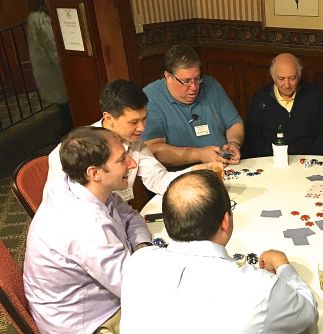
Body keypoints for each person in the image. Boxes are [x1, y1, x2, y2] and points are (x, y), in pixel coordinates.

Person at [120, 170, 316, 334]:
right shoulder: (258, 287)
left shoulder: (138, 263)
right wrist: (283, 265)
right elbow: (306, 313)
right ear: (226, 221)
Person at [24, 126, 152, 334]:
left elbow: (131, 216)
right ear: (95, 172)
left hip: (97, 303)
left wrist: (143, 248)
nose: (132, 164)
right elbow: (138, 291)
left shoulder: (81, 185)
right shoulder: (84, 225)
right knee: (185, 320)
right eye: (122, 160)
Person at [45, 79, 222, 201]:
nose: (142, 128)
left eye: (144, 118)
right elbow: (63, 212)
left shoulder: (133, 140)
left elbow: (158, 180)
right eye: (134, 122)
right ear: (109, 117)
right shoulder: (71, 152)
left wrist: (198, 171)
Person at [142, 44, 243, 167]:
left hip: (223, 167)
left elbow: (234, 123)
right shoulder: (151, 97)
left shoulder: (211, 85)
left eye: (197, 79)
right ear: (168, 77)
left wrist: (234, 143)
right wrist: (199, 155)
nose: (194, 87)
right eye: (186, 81)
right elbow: (154, 150)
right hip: (181, 176)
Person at [244, 53, 323, 158]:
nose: (287, 85)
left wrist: (310, 159)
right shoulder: (260, 97)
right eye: (281, 79)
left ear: (299, 76)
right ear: (273, 77)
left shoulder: (315, 95)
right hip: (272, 161)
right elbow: (253, 137)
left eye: (292, 78)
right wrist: (273, 159)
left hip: (309, 161)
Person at [27, 0, 72, 136]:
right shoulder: (41, 19)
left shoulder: (37, 17)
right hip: (54, 68)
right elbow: (53, 46)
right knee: (65, 101)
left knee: (64, 101)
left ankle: (67, 127)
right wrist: (67, 65)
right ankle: (68, 129)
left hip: (50, 67)